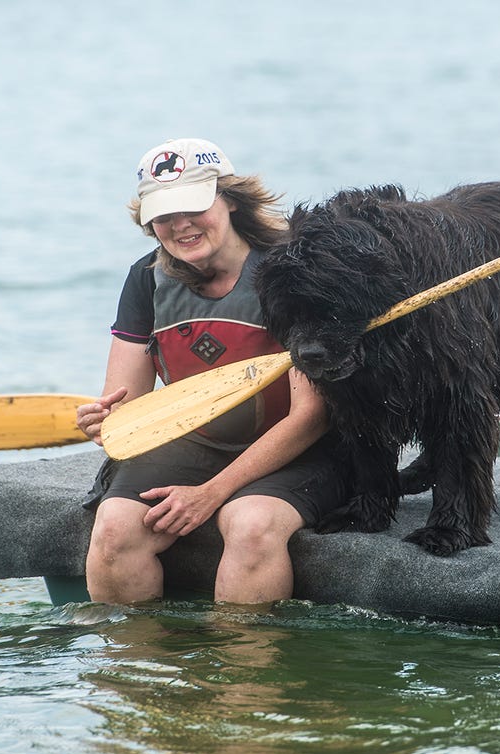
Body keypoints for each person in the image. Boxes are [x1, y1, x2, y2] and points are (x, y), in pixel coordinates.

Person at [74, 138, 345, 606]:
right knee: (116, 530)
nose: (179, 226)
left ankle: (242, 674)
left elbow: (311, 417)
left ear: (231, 200)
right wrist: (106, 423)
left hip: (304, 450)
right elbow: (129, 403)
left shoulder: (292, 272)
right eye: (162, 215)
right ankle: (139, 669)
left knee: (250, 525)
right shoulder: (146, 278)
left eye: (193, 207)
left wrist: (210, 494)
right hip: (196, 441)